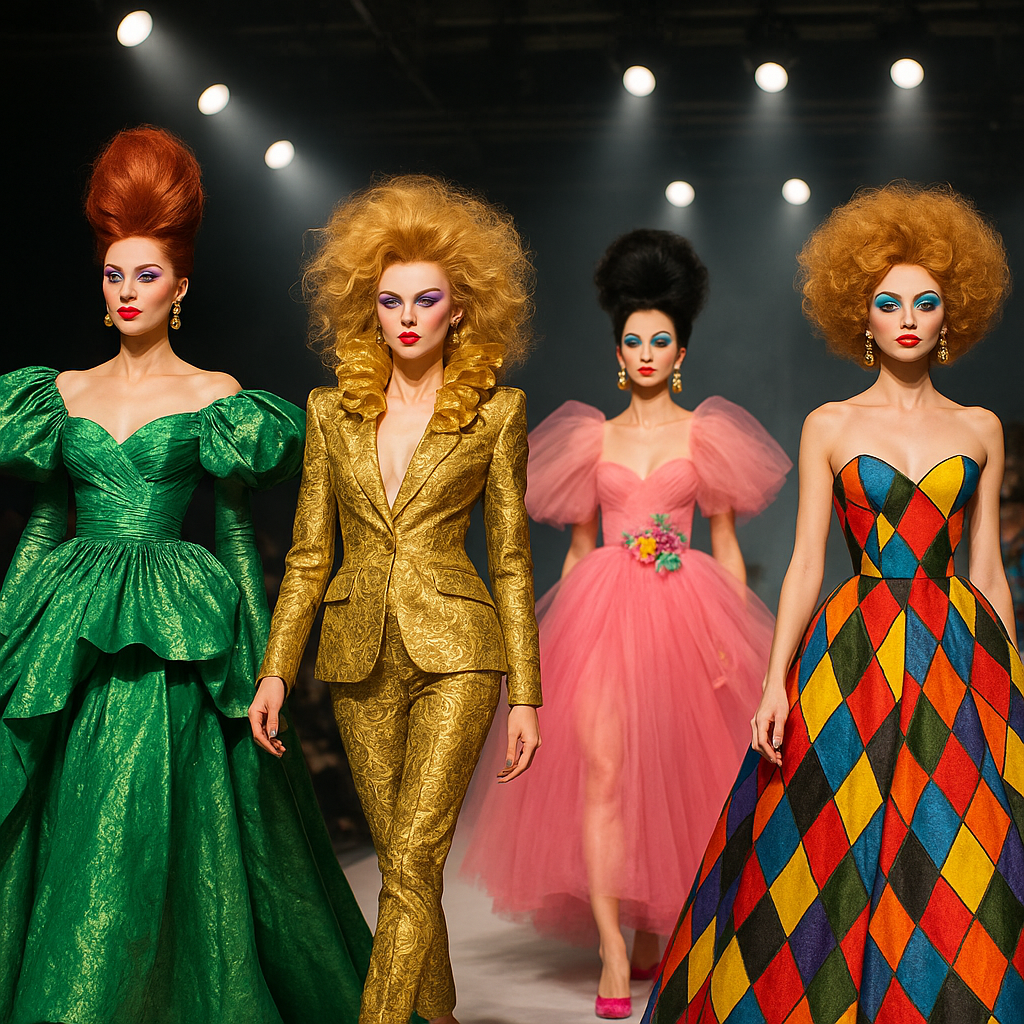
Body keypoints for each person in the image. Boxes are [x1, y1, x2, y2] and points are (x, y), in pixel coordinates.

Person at [0, 126, 372, 1024]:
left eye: (147, 275)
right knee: (80, 823)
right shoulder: (60, 394)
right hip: (72, 632)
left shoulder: (217, 397)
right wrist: (7, 636)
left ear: (182, 287)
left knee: (177, 827)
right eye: (114, 275)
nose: (128, 291)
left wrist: (270, 667)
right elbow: (45, 525)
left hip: (183, 635)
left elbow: (240, 538)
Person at [643, 183, 1024, 1024]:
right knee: (834, 836)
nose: (909, 318)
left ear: (950, 313)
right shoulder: (829, 425)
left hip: (958, 647)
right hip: (853, 648)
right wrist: (776, 680)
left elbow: (989, 570)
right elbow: (807, 564)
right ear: (862, 316)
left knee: (952, 826)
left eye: (926, 302)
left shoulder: (982, 427)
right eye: (889, 303)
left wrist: (1015, 679)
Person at [461, 229, 791, 1019]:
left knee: (676, 777)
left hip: (688, 612)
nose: (646, 352)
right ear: (619, 349)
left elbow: (725, 546)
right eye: (634, 340)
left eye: (661, 341)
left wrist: (727, 639)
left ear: (682, 353)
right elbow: (577, 550)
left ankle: (657, 931)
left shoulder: (705, 434)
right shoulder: (590, 439)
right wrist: (553, 652)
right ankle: (614, 952)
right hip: (600, 615)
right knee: (605, 777)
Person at [249, 174, 543, 1024]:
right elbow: (308, 554)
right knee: (399, 858)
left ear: (461, 309)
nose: (407, 315)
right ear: (366, 310)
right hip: (353, 654)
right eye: (389, 300)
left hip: (460, 651)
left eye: (427, 299)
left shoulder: (497, 412)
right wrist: (276, 672)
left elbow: (514, 560)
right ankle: (437, 1013)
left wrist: (525, 688)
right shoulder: (329, 413)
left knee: (412, 855)